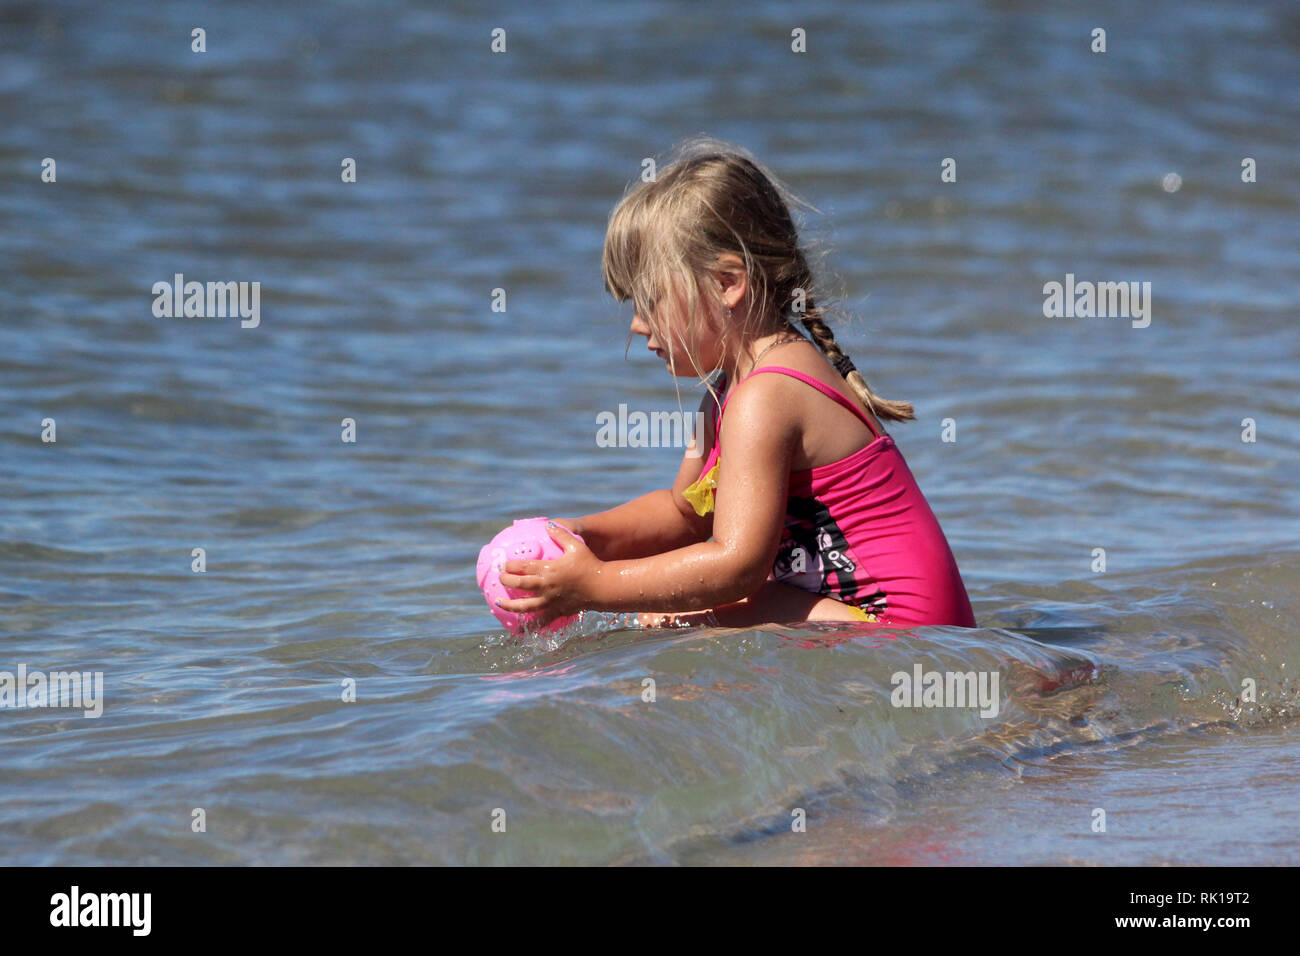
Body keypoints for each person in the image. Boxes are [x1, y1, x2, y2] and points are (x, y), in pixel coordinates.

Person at [498, 137, 976, 630]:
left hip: (908, 632)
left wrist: (596, 586)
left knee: (710, 610)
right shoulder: (726, 394)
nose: (639, 325)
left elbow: (737, 566)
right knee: (691, 613)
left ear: (728, 283)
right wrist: (584, 538)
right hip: (884, 624)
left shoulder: (765, 397)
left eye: (651, 300)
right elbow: (685, 515)